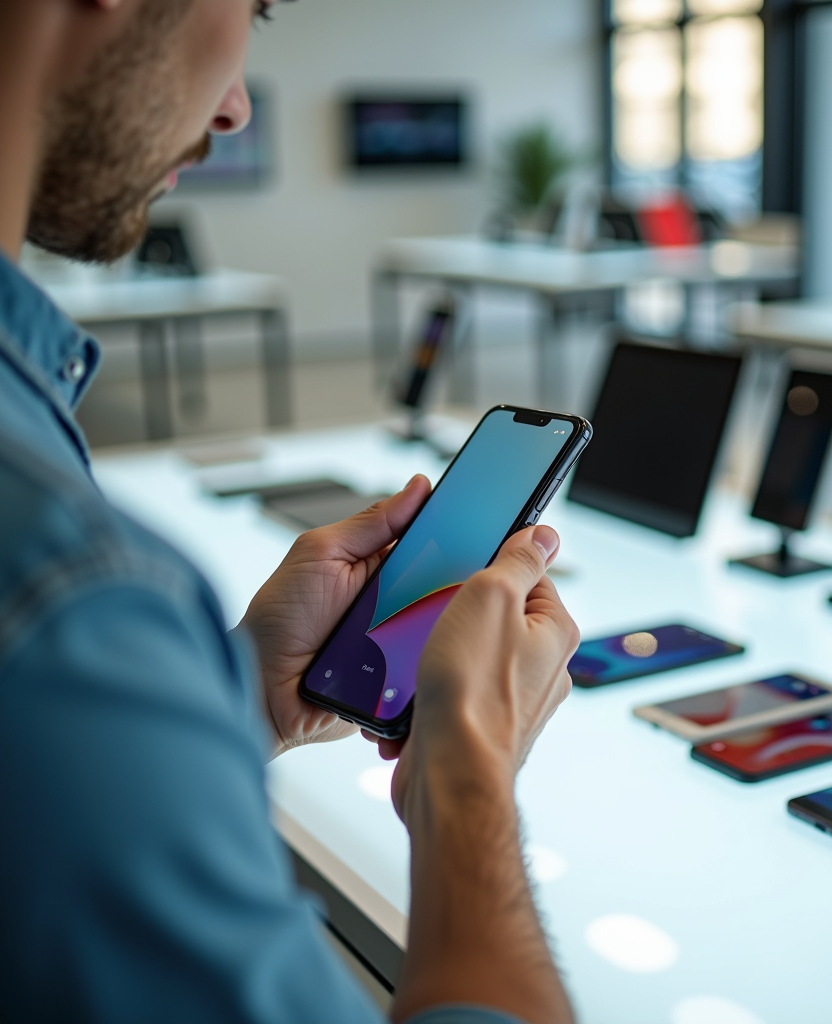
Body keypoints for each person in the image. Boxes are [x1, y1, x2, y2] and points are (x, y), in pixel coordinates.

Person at [0, 2, 580, 1022]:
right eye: (252, 11)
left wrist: (250, 698)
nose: (233, 108)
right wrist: (468, 778)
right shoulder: (71, 589)